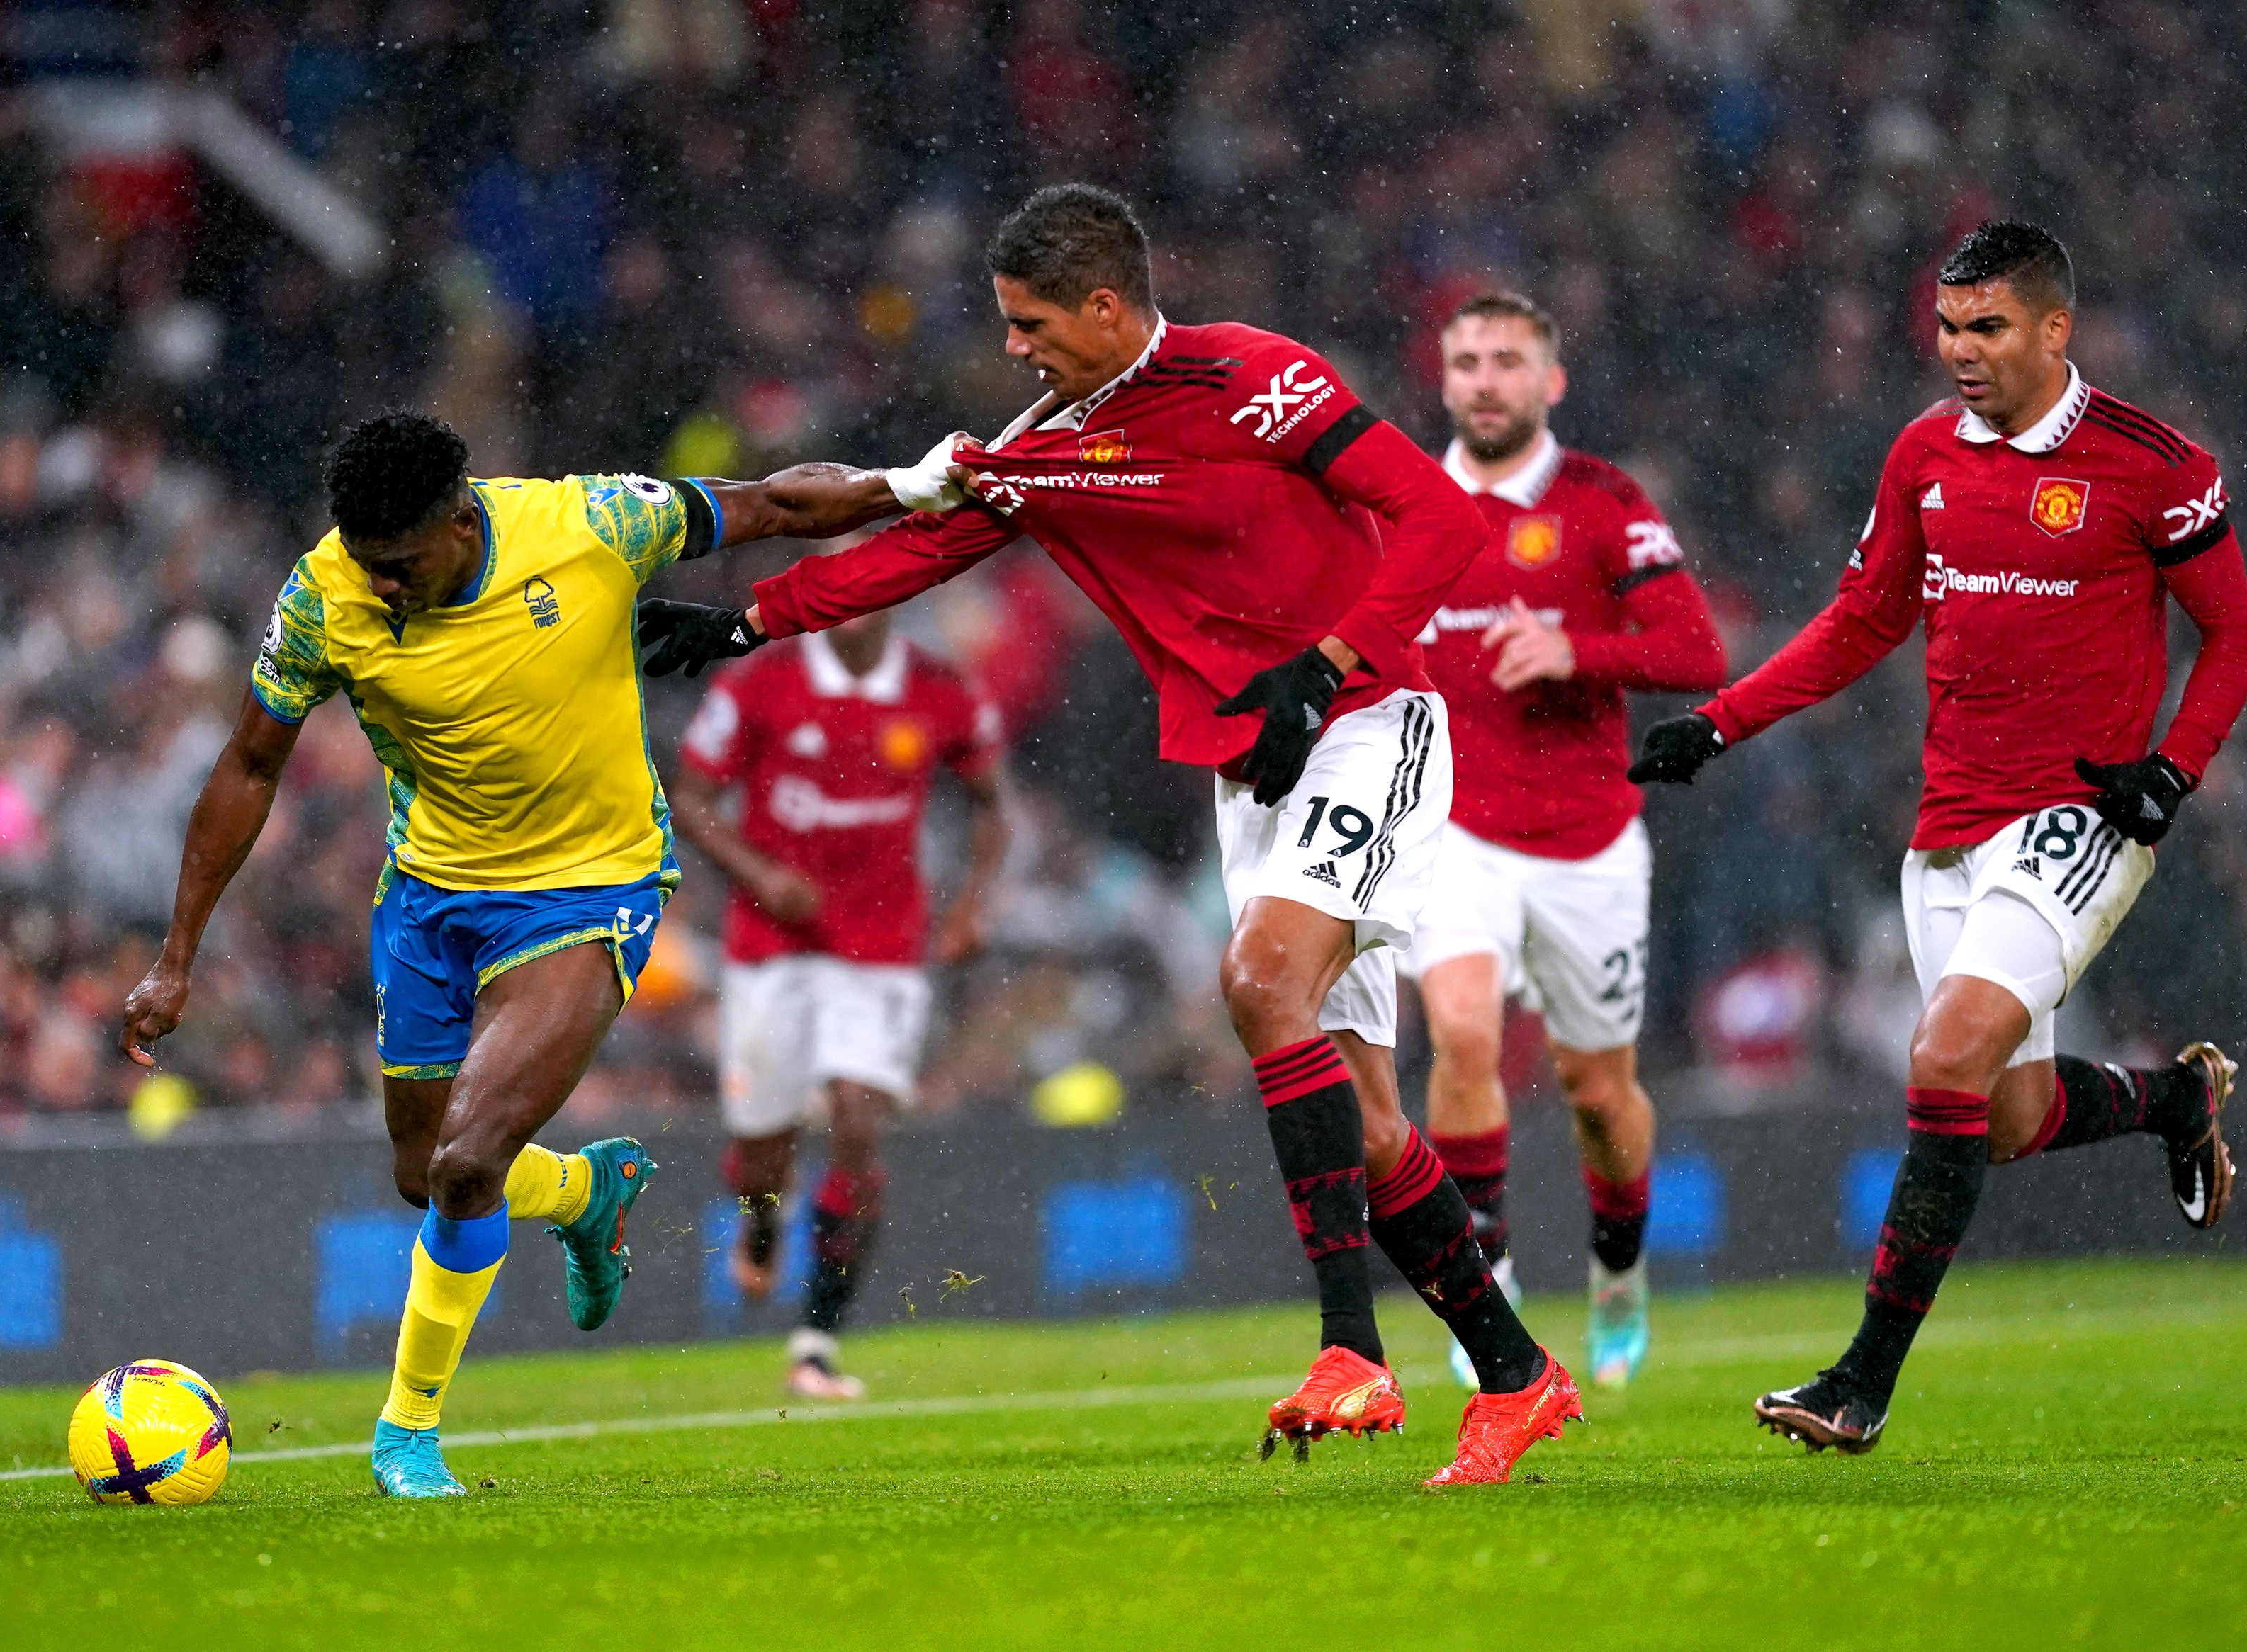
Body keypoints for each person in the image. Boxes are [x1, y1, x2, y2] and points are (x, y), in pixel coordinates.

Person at [636, 183, 1583, 1485]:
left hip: (1367, 720)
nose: (1014, 348)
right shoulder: (1043, 445)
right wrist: (750, 623)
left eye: (1031, 322)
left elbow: (1441, 517)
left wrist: (1325, 661)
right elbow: (918, 551)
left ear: (1102, 302)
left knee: (1255, 983)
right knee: (1362, 1118)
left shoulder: (1256, 379)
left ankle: (1349, 1349)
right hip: (1250, 768)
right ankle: (1519, 1374)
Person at [119, 410, 964, 1496]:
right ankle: (577, 1194)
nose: (382, 587)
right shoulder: (322, 595)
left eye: (403, 565)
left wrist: (912, 483)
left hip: (587, 890)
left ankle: (407, 1434)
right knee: (423, 1175)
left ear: (460, 520)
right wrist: (176, 954)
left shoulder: (588, 523)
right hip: (429, 896)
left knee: (468, 1164)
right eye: (368, 566)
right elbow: (247, 764)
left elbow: (772, 504)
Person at [1629, 221, 2247, 1452]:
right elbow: (1862, 621)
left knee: (1943, 1056)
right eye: (1946, 326)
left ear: (2052, 329)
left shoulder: (2154, 464)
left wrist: (2171, 774)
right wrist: (1715, 725)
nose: (1960, 351)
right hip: (1951, 828)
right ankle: (2173, 1097)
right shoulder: (1924, 453)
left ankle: (1857, 1381)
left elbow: (2234, 632)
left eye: (1985, 328)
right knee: (2009, 1114)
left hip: (2079, 814)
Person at [1405, 290, 1725, 1393]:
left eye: (1506, 361)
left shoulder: (1599, 502)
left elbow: (1696, 650)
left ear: (1549, 382)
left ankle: (1619, 1266)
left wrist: (1573, 651)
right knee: (1458, 1032)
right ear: (1443, 379)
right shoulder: (1404, 503)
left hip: (1587, 839)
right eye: (1466, 361)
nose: (1483, 379)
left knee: (1597, 1092)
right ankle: (1482, 1282)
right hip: (1450, 829)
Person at [675, 601, 1008, 1399]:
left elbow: (990, 800)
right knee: (764, 1153)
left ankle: (817, 1341)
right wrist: (760, 876)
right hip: (772, 948)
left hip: (883, 948)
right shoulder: (763, 684)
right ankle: (762, 1218)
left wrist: (969, 906)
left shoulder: (939, 690)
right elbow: (689, 796)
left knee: (859, 1121)